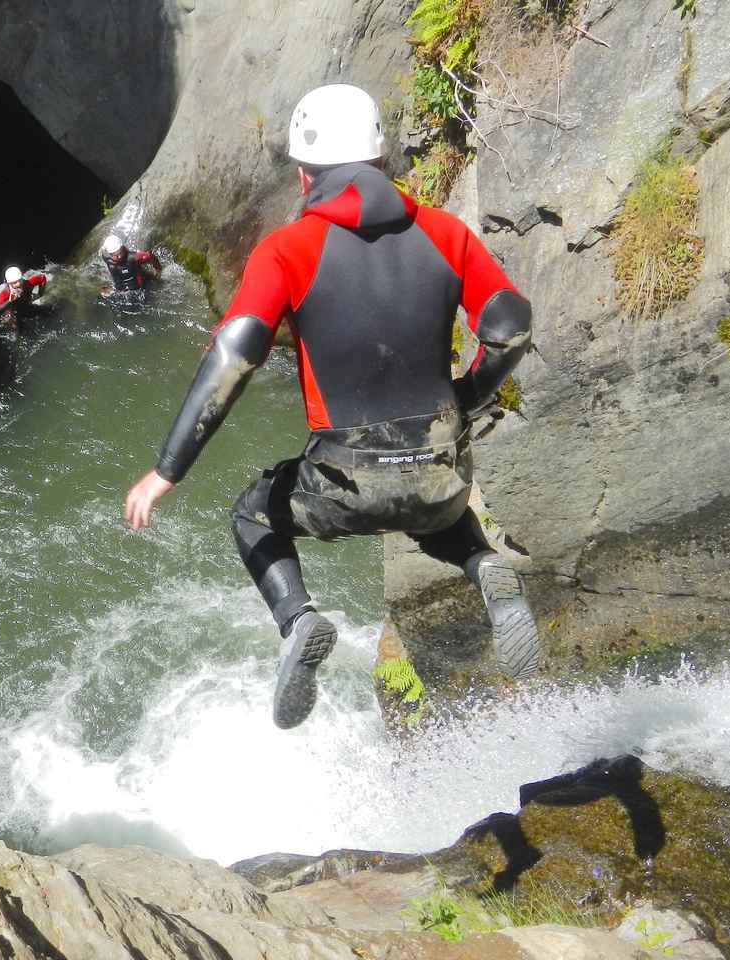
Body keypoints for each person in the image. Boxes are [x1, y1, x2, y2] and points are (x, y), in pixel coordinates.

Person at [123, 83, 540, 730]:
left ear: (303, 173)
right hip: (438, 467)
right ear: (380, 161)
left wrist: (167, 470)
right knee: (430, 509)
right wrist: (465, 398)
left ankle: (300, 623)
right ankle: (485, 565)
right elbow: (510, 324)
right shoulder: (446, 232)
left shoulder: (288, 249)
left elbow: (233, 359)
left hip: (343, 479)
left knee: (253, 514)